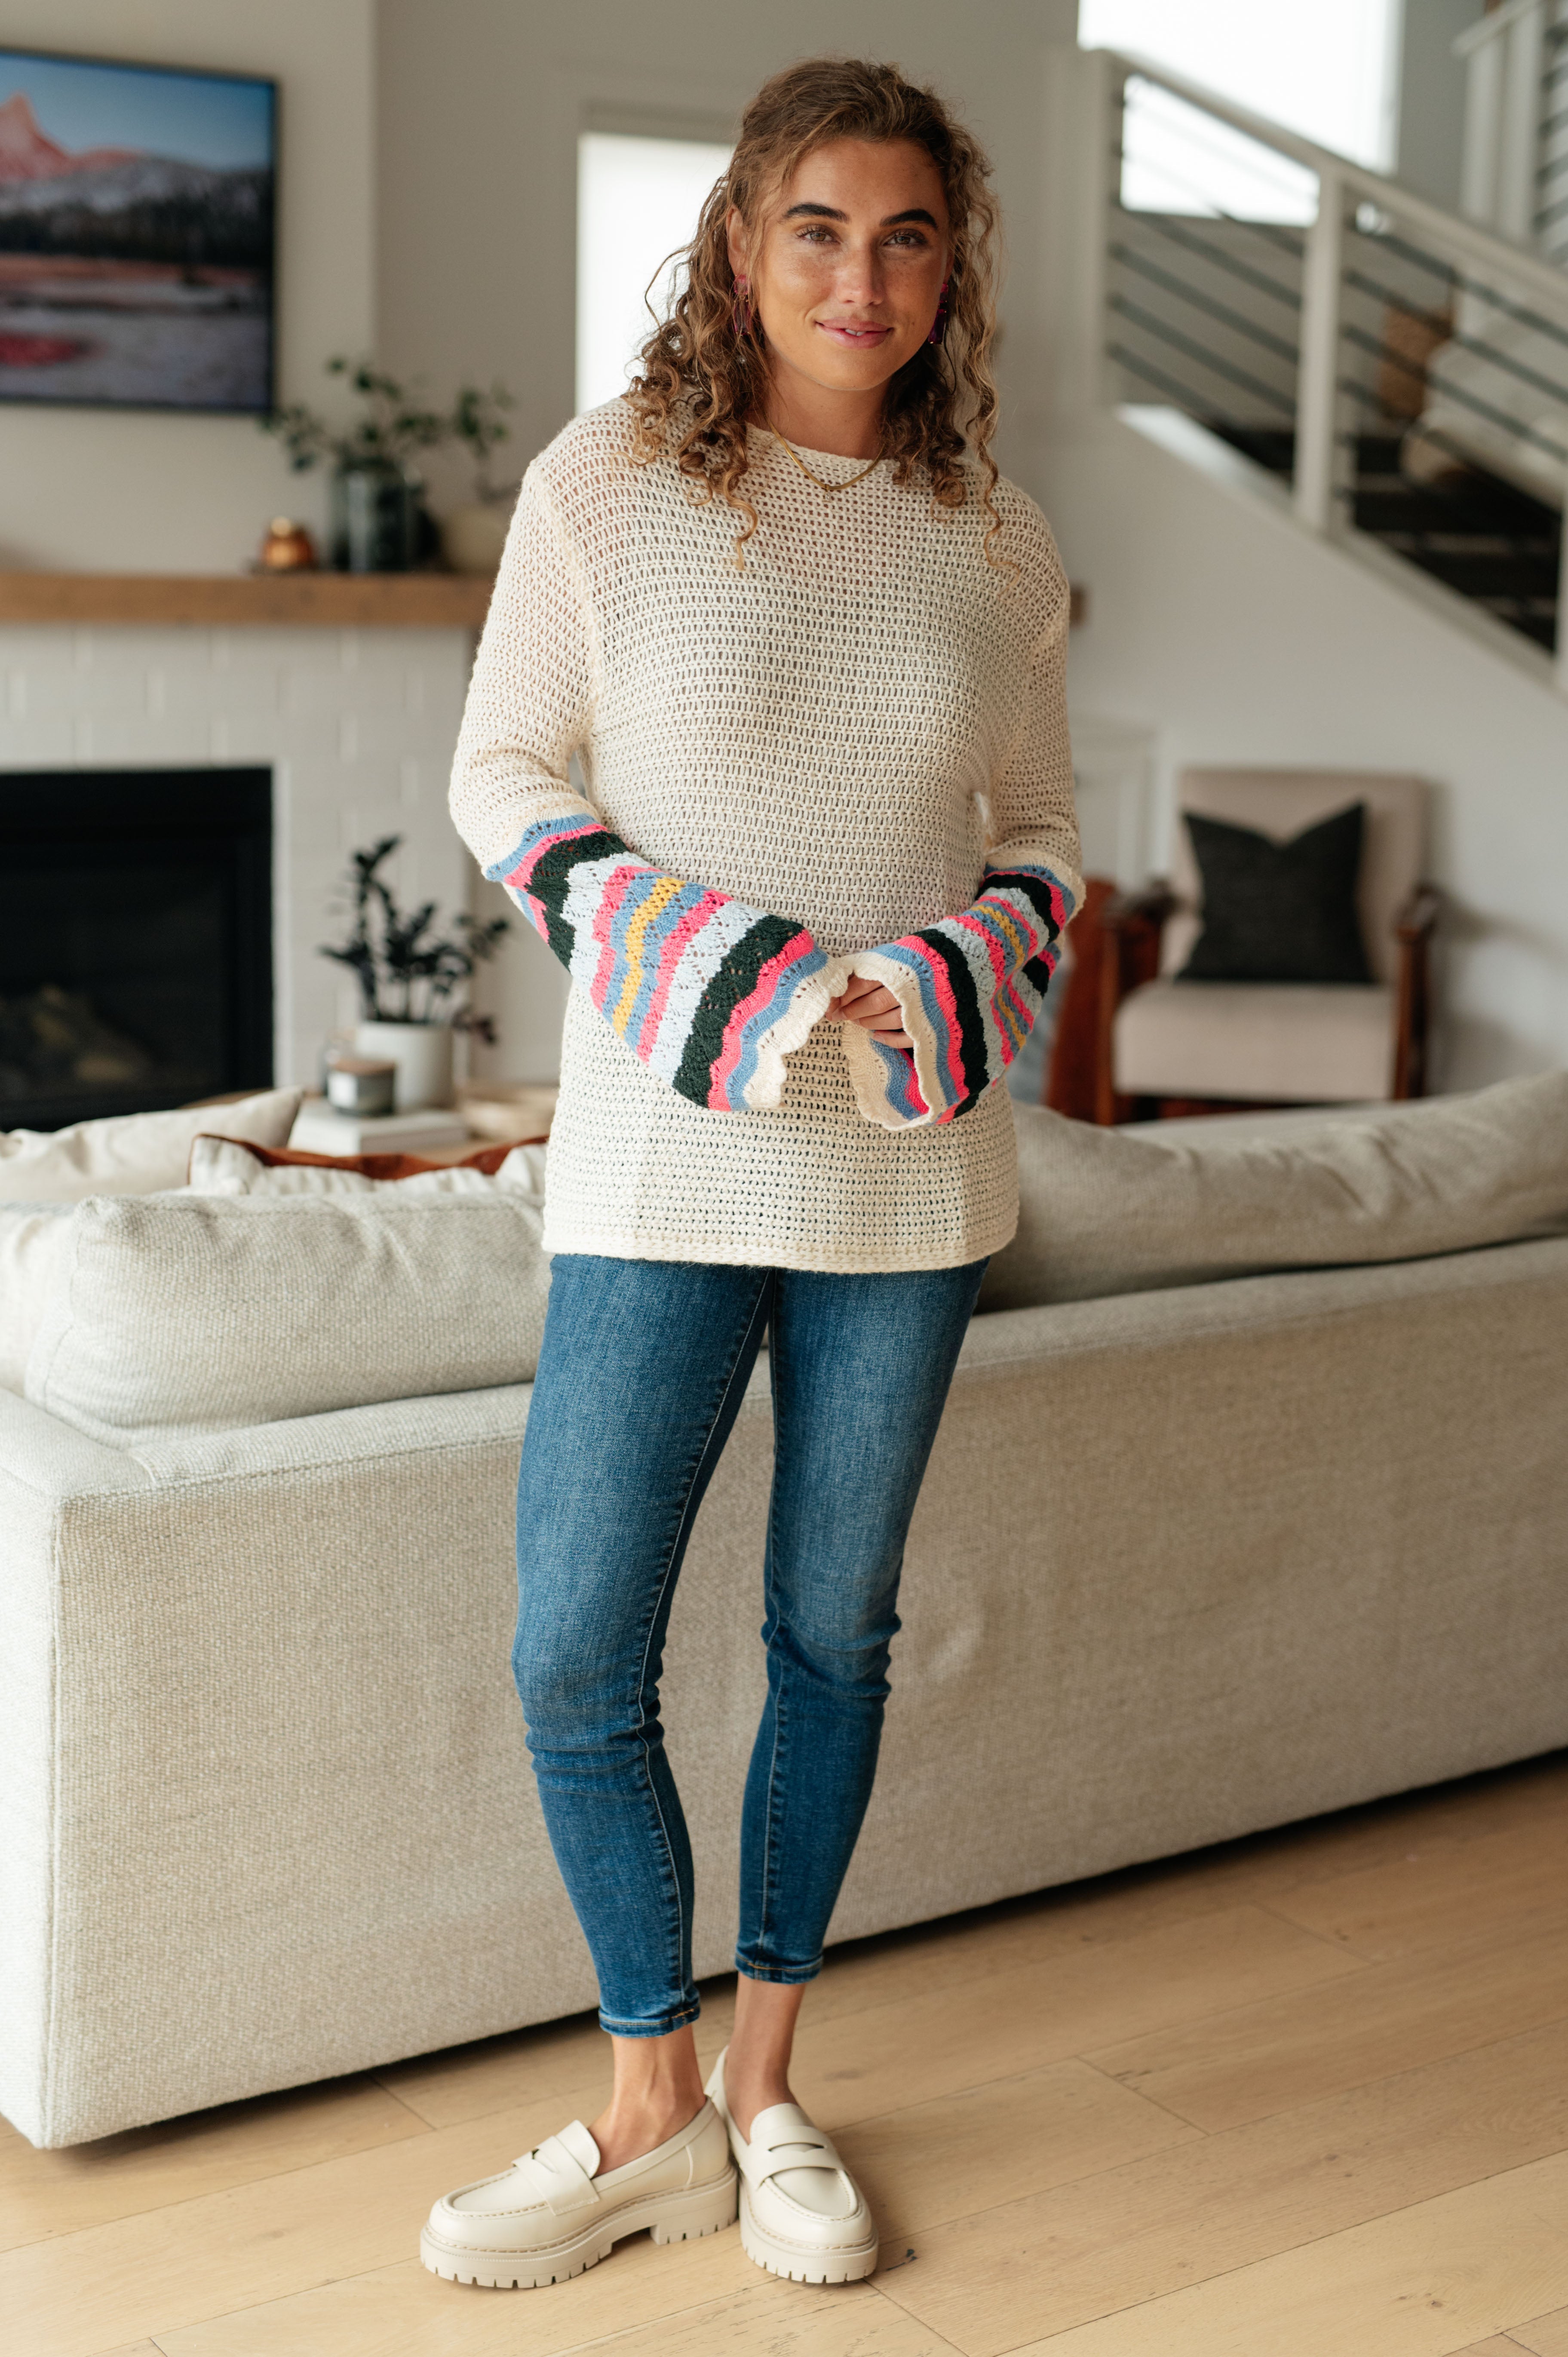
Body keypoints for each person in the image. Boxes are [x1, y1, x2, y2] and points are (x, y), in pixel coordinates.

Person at [422, 53, 1081, 2294]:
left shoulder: (998, 537)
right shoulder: (605, 485)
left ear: (950, 268)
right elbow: (503, 771)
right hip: (658, 1160)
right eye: (817, 227)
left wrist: (959, 960)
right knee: (572, 1647)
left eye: (908, 235)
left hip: (907, 1178)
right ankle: (654, 2107)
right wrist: (720, 963)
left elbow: (1041, 839)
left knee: (833, 1635)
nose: (861, 276)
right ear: (737, 243)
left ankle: (773, 2091)